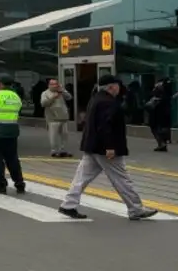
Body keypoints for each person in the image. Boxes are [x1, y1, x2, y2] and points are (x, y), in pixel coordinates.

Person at [58, 75, 158, 220]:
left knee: (81, 177)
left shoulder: (96, 99)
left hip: (92, 146)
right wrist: (110, 147)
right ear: (112, 86)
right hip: (105, 148)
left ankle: (68, 205)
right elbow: (106, 126)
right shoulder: (108, 102)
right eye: (118, 85)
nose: (119, 88)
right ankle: (136, 209)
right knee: (121, 179)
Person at [41, 78, 73, 157]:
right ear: (49, 85)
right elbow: (43, 103)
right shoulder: (45, 93)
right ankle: (54, 150)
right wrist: (52, 97)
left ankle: (63, 150)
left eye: (56, 84)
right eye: (53, 84)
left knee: (64, 134)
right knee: (53, 135)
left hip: (63, 116)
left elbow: (69, 97)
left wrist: (63, 91)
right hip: (52, 117)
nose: (55, 86)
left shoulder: (61, 91)